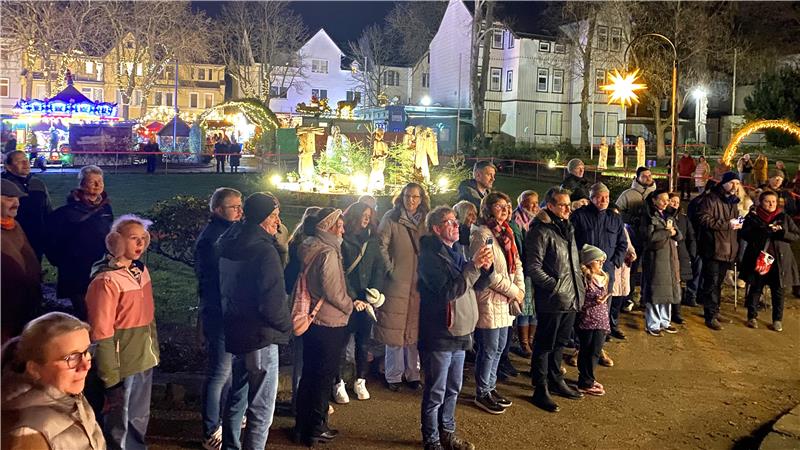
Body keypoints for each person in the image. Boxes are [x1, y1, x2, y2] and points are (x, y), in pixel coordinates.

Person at [216, 192, 290, 449]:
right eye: (273, 216)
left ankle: (230, 445)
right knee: (261, 408)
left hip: (237, 330)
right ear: (261, 217)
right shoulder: (264, 251)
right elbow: (272, 300)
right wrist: (287, 325)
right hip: (261, 335)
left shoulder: (229, 241)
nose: (278, 222)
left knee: (238, 395)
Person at [417, 205, 493, 450]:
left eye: (455, 221)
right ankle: (432, 439)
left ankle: (447, 432)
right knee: (436, 390)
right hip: (440, 332)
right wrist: (472, 267)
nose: (456, 225)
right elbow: (450, 291)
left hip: (460, 331)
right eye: (449, 222)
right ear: (436, 229)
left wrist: (485, 267)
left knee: (453, 387)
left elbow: (475, 286)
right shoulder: (429, 258)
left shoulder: (456, 251)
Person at [85, 214, 159, 449]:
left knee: (137, 417)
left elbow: (147, 318)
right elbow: (101, 332)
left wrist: (152, 351)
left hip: (144, 358)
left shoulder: (141, 271)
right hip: (122, 362)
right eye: (132, 238)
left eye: (142, 239)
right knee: (121, 421)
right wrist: (110, 377)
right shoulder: (107, 280)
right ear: (116, 242)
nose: (139, 244)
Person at [293, 208, 354, 447]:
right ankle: (317, 427)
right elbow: (333, 290)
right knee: (323, 377)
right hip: (329, 320)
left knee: (309, 374)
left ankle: (302, 426)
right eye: (339, 225)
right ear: (328, 228)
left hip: (313, 321)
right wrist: (349, 305)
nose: (343, 229)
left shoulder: (309, 246)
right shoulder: (328, 252)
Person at [1, 312, 105, 449]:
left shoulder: (66, 393)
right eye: (71, 358)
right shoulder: (27, 435)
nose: (86, 365)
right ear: (34, 368)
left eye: (86, 351)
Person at [526, 187, 585, 413]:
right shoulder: (540, 231)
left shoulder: (566, 228)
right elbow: (534, 267)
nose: (567, 208)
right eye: (562, 204)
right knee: (544, 344)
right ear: (549, 206)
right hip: (553, 299)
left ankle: (555, 378)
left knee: (560, 342)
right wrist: (556, 286)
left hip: (571, 296)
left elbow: (571, 262)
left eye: (568, 204)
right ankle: (540, 388)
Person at [193, 188, 244, 450]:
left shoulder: (229, 232)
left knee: (229, 371)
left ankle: (224, 419)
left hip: (230, 311)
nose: (239, 211)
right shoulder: (212, 239)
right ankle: (211, 429)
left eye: (240, 206)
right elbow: (214, 279)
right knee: (219, 372)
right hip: (219, 312)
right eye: (233, 207)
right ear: (217, 210)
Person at [467, 192, 524, 415]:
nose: (505, 209)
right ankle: (482, 391)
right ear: (488, 208)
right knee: (489, 349)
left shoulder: (506, 232)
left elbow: (516, 264)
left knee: (500, 347)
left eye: (508, 205)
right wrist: (514, 291)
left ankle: (491, 387)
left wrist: (520, 289)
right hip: (489, 300)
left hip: (506, 300)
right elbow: (487, 273)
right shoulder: (482, 235)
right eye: (500, 206)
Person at [375, 183, 429, 392]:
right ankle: (393, 373)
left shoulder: (426, 219)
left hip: (419, 282)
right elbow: (381, 245)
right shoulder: (392, 217)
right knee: (394, 328)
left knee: (414, 329)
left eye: (416, 197)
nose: (411, 200)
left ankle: (413, 372)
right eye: (408, 196)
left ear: (422, 198)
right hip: (397, 282)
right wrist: (391, 270)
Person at [333, 202, 387, 403]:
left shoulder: (372, 241)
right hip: (348, 301)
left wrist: (373, 293)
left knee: (364, 343)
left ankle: (360, 380)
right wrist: (353, 296)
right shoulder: (343, 240)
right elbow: (340, 271)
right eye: (363, 215)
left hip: (366, 301)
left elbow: (378, 268)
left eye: (369, 215)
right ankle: (338, 383)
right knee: (342, 343)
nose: (366, 219)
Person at [46, 165, 113, 320]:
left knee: (99, 311)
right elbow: (52, 239)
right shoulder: (66, 212)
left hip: (99, 267)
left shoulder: (106, 208)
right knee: (84, 312)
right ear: (82, 184)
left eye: (100, 181)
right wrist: (61, 261)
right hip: (75, 271)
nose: (98, 185)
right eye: (92, 181)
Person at [570, 182, 628, 342]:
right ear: (591, 198)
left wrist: (615, 262)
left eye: (607, 197)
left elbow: (622, 243)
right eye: (600, 197)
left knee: (603, 307)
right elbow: (571, 242)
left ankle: (599, 345)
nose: (604, 200)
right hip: (583, 272)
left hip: (606, 272)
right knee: (582, 308)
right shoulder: (579, 216)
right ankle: (578, 346)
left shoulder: (614, 218)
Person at [739, 190, 799, 332]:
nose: (771, 204)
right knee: (755, 288)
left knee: (778, 291)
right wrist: (762, 231)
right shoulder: (753, 217)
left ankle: (777, 320)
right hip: (758, 259)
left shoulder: (784, 217)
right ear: (761, 202)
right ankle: (751, 316)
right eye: (767, 201)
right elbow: (744, 234)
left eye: (773, 201)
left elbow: (796, 235)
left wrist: (782, 232)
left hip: (779, 261)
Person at [283, 207, 321, 415]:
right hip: (308, 306)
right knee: (306, 355)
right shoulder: (312, 250)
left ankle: (301, 400)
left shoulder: (296, 245)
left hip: (298, 304)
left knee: (302, 353)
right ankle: (302, 402)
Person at [696, 172, 742, 330]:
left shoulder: (733, 202)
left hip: (728, 248)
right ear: (724, 183)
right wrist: (726, 224)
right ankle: (710, 315)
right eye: (732, 183)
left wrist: (738, 223)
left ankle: (715, 310)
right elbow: (703, 218)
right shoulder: (711, 199)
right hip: (713, 247)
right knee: (711, 282)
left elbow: (734, 221)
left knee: (719, 283)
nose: (735, 186)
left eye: (737, 183)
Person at [1, 179, 42, 343]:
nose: (16, 203)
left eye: (18, 199)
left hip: (24, 306)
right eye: (10, 198)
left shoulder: (14, 225)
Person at [639, 190, 683, 336]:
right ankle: (653, 323)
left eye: (667, 200)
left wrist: (673, 232)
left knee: (668, 292)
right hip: (655, 259)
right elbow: (649, 237)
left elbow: (679, 235)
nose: (666, 202)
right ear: (654, 200)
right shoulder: (648, 216)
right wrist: (667, 232)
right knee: (656, 291)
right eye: (662, 200)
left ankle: (665, 321)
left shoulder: (669, 215)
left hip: (670, 258)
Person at [615, 167, 656, 309]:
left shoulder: (656, 194)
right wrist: (632, 219)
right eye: (644, 176)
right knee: (631, 269)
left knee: (650, 269)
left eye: (650, 175)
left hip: (652, 239)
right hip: (633, 237)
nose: (648, 178)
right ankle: (628, 298)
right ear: (637, 177)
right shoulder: (628, 194)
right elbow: (617, 213)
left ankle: (646, 298)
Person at [2, 150, 52, 260]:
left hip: (36, 238)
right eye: (19, 161)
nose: (25, 164)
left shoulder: (37, 184)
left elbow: (47, 209)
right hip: (10, 238)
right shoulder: (3, 186)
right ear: (8, 167)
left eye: (26, 160)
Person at [576, 245, 610, 396]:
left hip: (601, 319)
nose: (601, 263)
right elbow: (580, 300)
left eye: (602, 261)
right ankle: (585, 381)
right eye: (598, 261)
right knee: (587, 350)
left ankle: (589, 377)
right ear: (589, 262)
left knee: (596, 351)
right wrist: (593, 302)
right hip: (588, 320)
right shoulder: (585, 278)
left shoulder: (604, 277)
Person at [510, 190, 539, 357]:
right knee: (525, 306)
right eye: (531, 203)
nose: (535, 206)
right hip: (525, 268)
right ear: (521, 203)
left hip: (537, 268)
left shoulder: (538, 218)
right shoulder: (517, 221)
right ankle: (524, 342)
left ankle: (532, 339)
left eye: (536, 202)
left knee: (535, 306)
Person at [668, 192, 696, 323]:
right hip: (666, 253)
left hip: (681, 254)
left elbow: (691, 237)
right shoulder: (664, 216)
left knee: (678, 284)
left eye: (677, 202)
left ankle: (677, 312)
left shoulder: (684, 219)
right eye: (672, 201)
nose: (675, 204)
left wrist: (692, 254)